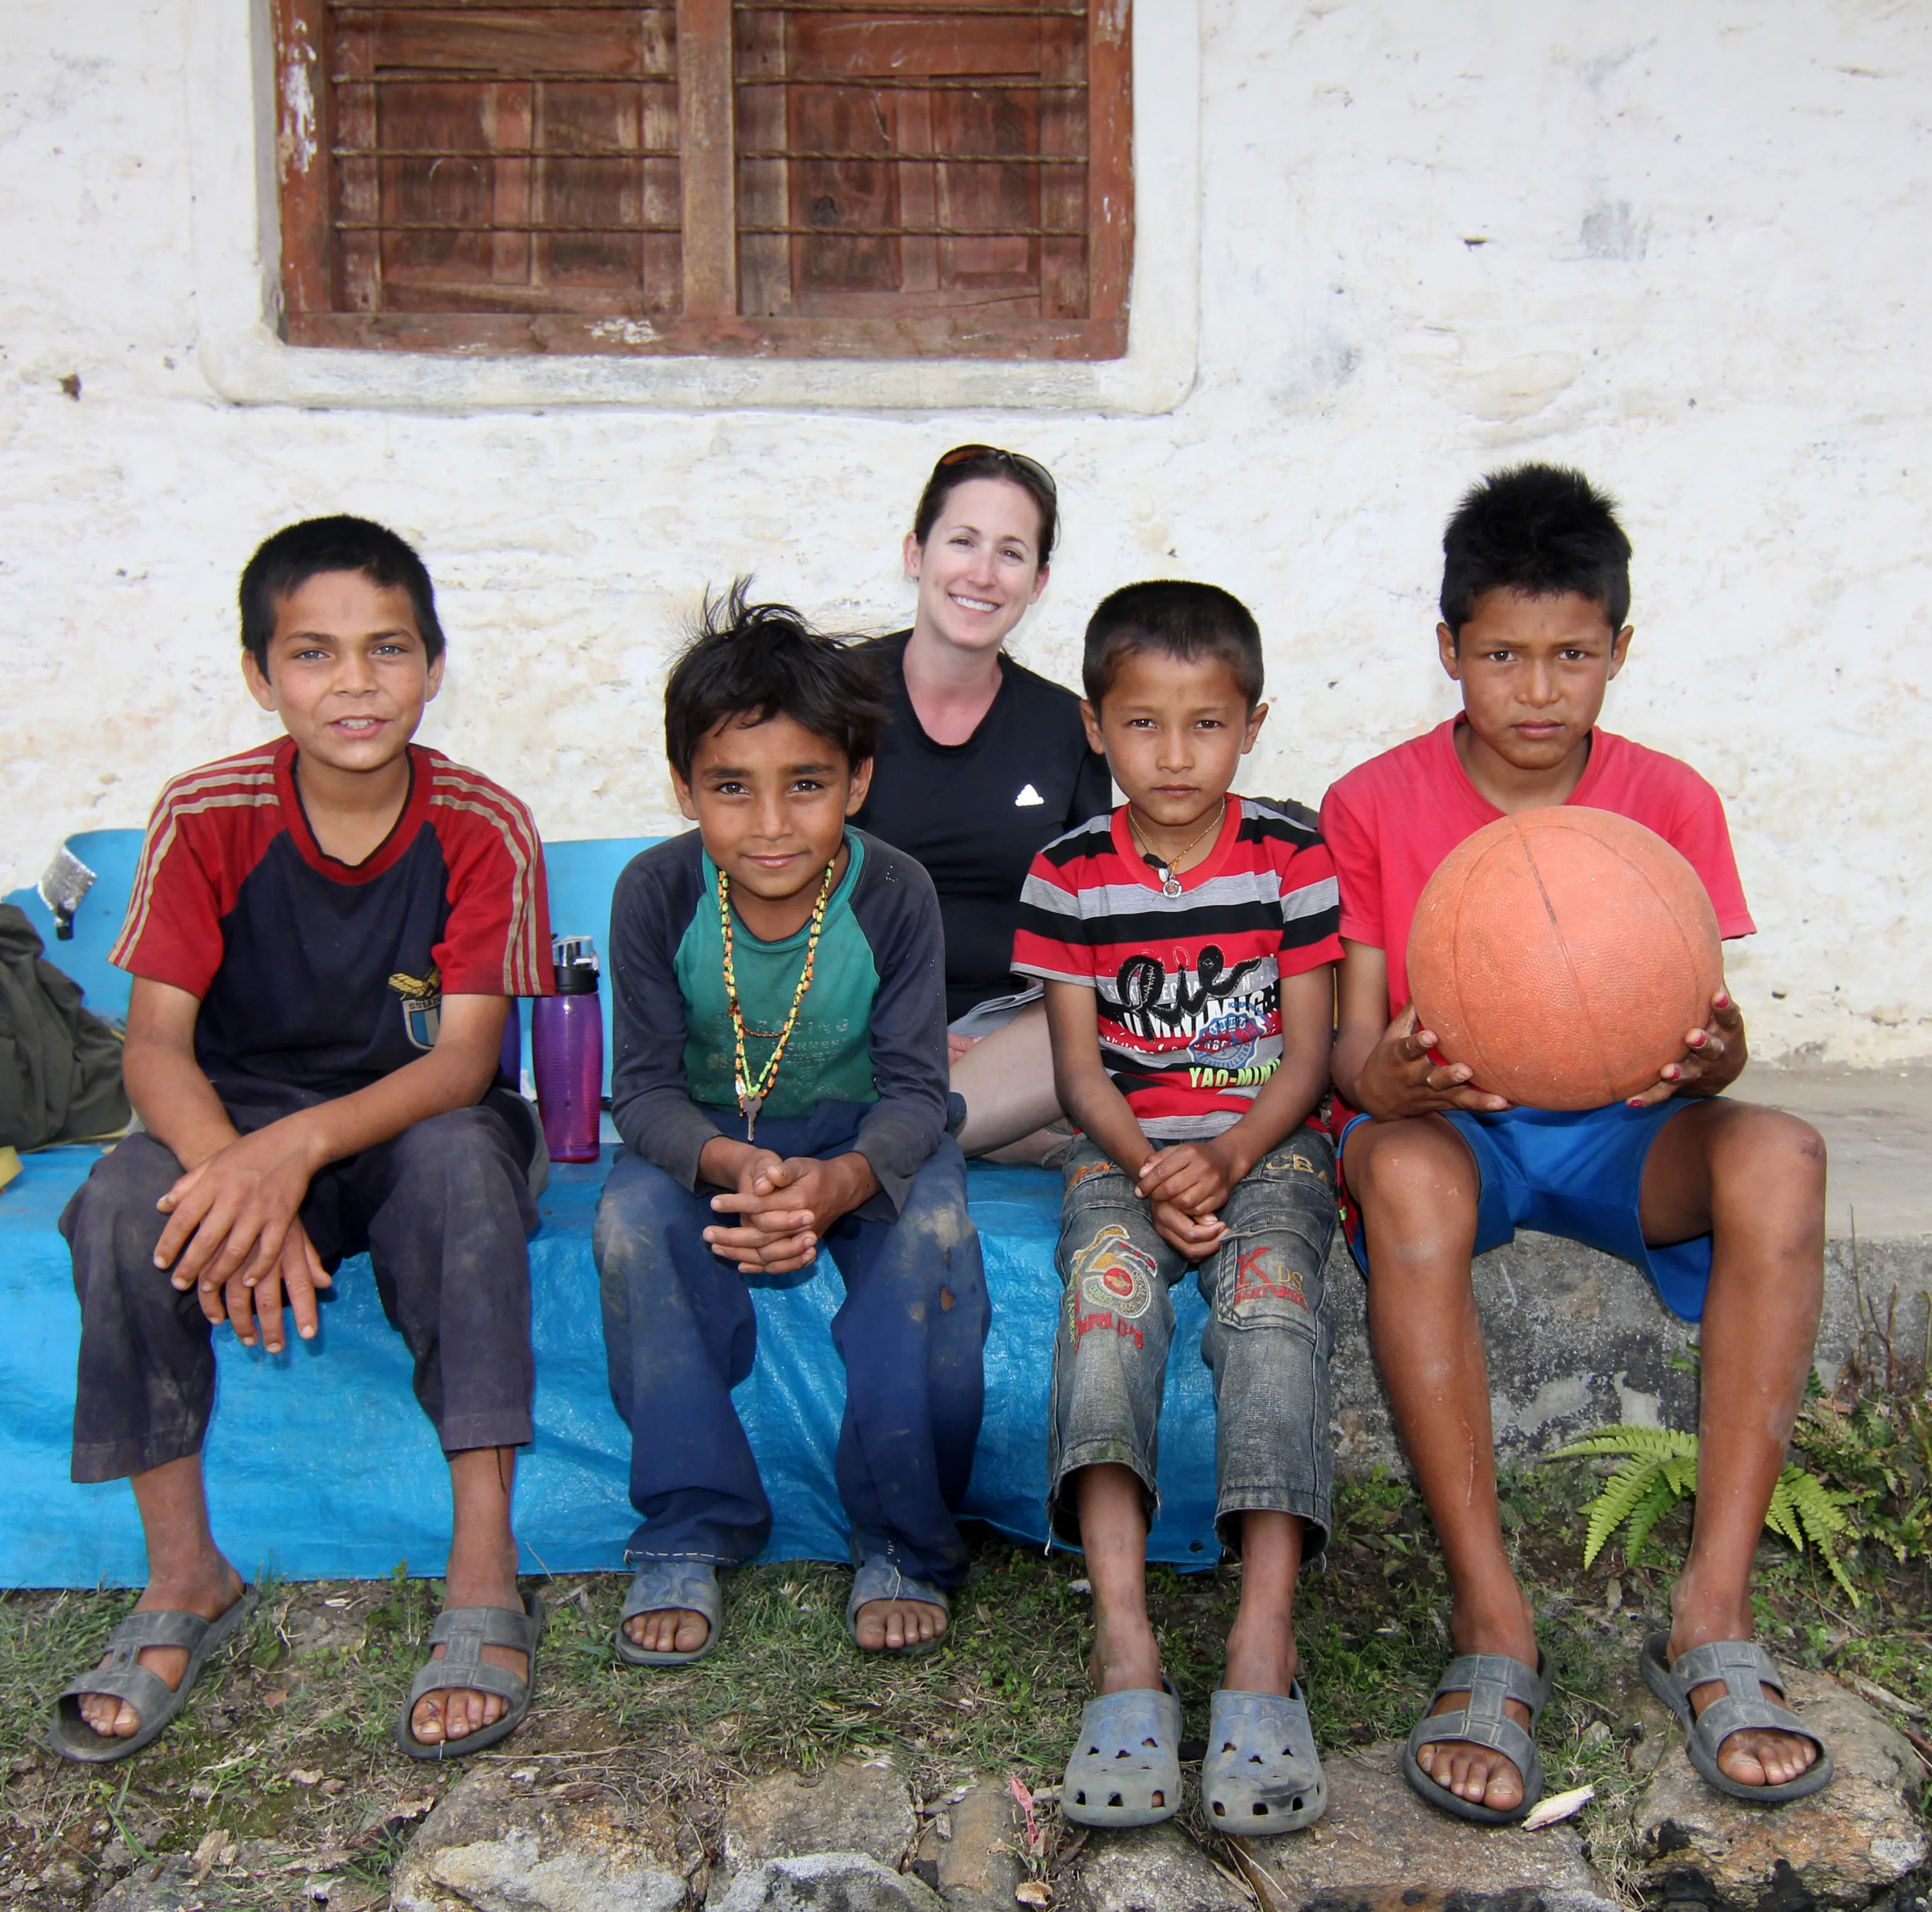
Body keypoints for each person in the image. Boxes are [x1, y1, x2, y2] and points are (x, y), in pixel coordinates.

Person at [1324, 464, 1832, 1823]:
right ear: (1449, 649)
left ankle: (1712, 1612)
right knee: (1400, 1171)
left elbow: (1706, 1031)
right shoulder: (1371, 801)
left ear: (1621, 648)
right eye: (1503, 654)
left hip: (1626, 1135)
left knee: (1782, 1152)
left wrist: (1718, 1062)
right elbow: (1350, 1051)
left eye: (1572, 654)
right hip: (1455, 1132)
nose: (1538, 689)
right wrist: (1388, 1079)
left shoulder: (1669, 799)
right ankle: (1493, 1619)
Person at [49, 516, 552, 1764]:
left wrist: (289, 1160)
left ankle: (484, 1563)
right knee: (119, 1202)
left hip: (416, 1118)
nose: (355, 682)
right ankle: (186, 1574)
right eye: (314, 652)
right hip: (234, 1115)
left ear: (434, 665)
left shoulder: (483, 822)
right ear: (260, 674)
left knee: (464, 1172)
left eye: (388, 647)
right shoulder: (206, 811)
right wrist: (239, 1171)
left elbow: (462, 1061)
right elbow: (154, 1045)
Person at [595, 584, 989, 1666]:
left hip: (868, 1133)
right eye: (732, 786)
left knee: (932, 1238)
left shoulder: (895, 892)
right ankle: (690, 1520)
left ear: (857, 782)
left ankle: (902, 1535)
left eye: (805, 784)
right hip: (712, 1137)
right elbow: (642, 1093)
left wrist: (843, 1182)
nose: (770, 823)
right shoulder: (655, 892)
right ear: (684, 787)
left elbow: (917, 1093)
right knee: (631, 1225)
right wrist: (734, 1164)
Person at [1011, 582, 1344, 1832]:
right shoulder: (1066, 875)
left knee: (1273, 1307)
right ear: (1095, 726)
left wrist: (1230, 1154)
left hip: (1272, 1147)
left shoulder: (1291, 856)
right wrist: (1155, 1166)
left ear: (1251, 724)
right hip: (1125, 1151)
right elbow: (1078, 1073)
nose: (1174, 754)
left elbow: (1308, 1056)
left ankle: (1264, 1634)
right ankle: (1125, 1637)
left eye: (1207, 724)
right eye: (1143, 723)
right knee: (1108, 1306)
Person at [853, 444, 1111, 1158]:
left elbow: (1090, 928)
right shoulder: (829, 700)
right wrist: (899, 1034)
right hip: (844, 1029)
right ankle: (993, 1134)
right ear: (916, 553)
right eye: (962, 541)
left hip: (1012, 1036)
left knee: (1092, 1030)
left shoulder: (1067, 727)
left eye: (1011, 553)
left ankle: (915, 1128)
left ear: (1039, 581)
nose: (983, 574)